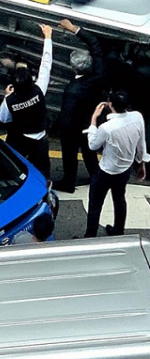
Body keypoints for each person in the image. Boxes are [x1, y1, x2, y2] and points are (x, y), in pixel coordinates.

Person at [83, 89, 148, 238]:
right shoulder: (137, 117)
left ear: (110, 104)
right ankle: (118, 230)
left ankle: (90, 235)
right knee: (119, 200)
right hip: (125, 170)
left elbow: (93, 145)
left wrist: (94, 119)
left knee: (95, 205)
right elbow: (141, 143)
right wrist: (141, 163)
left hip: (106, 171)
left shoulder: (106, 128)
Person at [54, 19, 107, 193]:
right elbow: (95, 44)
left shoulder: (72, 90)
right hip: (90, 122)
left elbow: (67, 116)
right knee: (89, 153)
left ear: (74, 68)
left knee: (69, 155)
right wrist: (74, 29)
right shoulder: (98, 75)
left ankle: (68, 182)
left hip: (74, 127)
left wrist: (58, 128)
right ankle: (95, 176)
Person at [0, 24, 54, 181]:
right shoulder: (39, 90)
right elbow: (46, 66)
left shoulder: (9, 101)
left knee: (15, 167)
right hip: (40, 137)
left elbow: (3, 119)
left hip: (20, 139)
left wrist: (7, 96)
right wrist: (48, 38)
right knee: (43, 169)